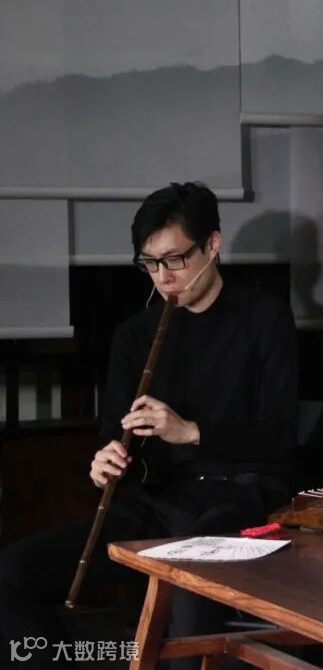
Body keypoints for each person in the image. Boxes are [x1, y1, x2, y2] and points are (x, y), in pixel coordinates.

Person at [0, 182, 298, 668]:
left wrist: (191, 431)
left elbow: (281, 435)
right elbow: (113, 434)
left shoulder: (265, 319)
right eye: (151, 263)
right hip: (157, 504)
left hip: (238, 499)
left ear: (212, 245)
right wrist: (106, 462)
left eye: (175, 259)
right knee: (11, 573)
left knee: (184, 589)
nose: (164, 277)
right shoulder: (135, 335)